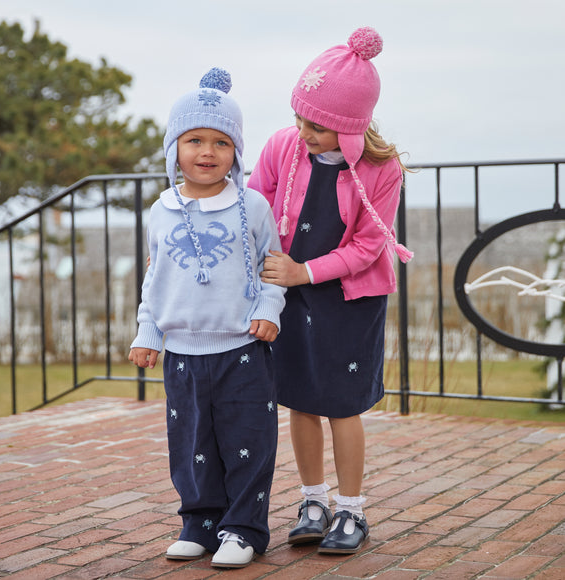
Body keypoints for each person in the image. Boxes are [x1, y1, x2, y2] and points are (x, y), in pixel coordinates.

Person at [248, 27, 412, 555]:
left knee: (342, 404)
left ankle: (351, 510)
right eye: (301, 118)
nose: (304, 131)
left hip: (349, 299)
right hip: (291, 294)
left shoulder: (382, 169)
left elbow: (368, 247)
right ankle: (313, 501)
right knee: (299, 400)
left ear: (349, 125)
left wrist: (305, 272)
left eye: (317, 126)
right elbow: (255, 210)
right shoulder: (282, 146)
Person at [129, 68, 286, 569]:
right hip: (181, 352)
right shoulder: (162, 209)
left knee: (247, 443)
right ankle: (199, 522)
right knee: (191, 443)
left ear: (235, 152)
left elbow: (273, 269)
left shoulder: (253, 206)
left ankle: (242, 528)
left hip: (242, 348)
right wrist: (147, 330)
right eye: (194, 139)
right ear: (174, 146)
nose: (207, 151)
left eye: (221, 142)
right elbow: (154, 279)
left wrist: (267, 310)